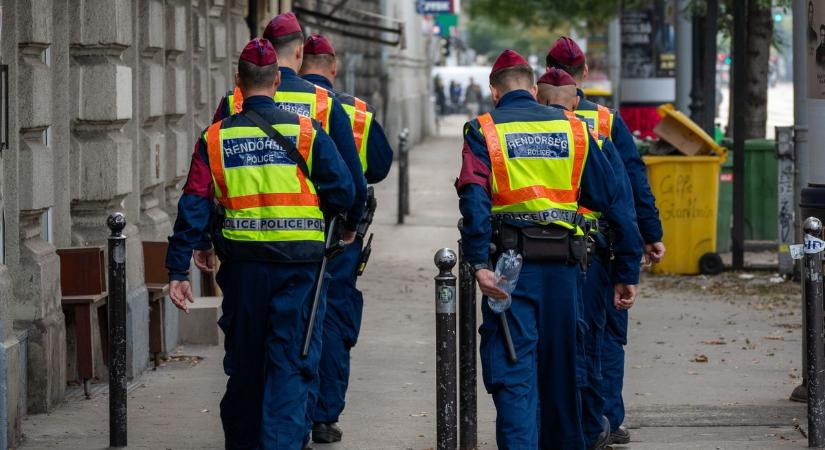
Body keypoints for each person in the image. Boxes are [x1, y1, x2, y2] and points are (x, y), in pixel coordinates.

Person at [165, 38, 355, 449]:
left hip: (244, 270)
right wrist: (342, 224)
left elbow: (194, 202)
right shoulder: (306, 132)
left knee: (247, 367)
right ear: (275, 81)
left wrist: (178, 267)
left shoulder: (214, 139)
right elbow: (343, 190)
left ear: (239, 81)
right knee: (291, 364)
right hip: (301, 270)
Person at [457, 49, 643, 449]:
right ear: (532, 87)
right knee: (564, 373)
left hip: (509, 269)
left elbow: (473, 197)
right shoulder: (576, 129)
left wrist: (476, 262)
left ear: (495, 90)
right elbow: (608, 192)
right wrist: (625, 266)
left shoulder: (483, 130)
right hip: (565, 269)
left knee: (513, 369)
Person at [547, 36, 665, 445]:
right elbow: (632, 186)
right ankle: (607, 419)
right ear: (581, 75)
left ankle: (576, 420)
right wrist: (650, 236)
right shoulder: (606, 121)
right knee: (606, 335)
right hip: (604, 247)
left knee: (564, 337)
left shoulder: (527, 120)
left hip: (549, 248)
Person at [298, 33, 395, 444]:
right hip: (339, 231)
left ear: (302, 62)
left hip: (281, 230)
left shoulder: (262, 99)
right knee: (335, 319)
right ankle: (323, 416)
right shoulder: (356, 111)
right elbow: (378, 167)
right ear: (334, 66)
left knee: (290, 318)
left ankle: (288, 414)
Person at [538, 68, 638, 450]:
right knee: (588, 345)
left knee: (545, 348)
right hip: (588, 260)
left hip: (533, 262)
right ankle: (587, 427)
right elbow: (620, 205)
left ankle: (550, 429)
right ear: (575, 100)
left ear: (538, 97)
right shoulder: (593, 137)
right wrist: (627, 270)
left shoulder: (517, 138)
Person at [213, 12, 367, 246]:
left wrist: (204, 237)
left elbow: (207, 172)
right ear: (299, 52)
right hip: (305, 240)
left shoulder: (232, 100)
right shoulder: (324, 103)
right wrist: (351, 226)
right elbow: (353, 180)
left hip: (241, 239)